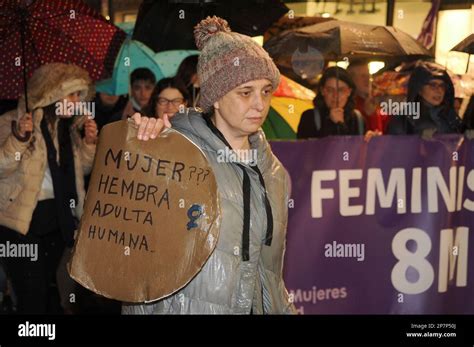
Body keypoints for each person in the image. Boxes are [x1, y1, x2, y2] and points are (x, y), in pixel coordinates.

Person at [122, 16, 296, 314]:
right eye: (245, 92)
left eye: (266, 90)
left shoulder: (275, 173)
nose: (259, 103)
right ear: (215, 97)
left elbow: (270, 274)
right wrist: (138, 146)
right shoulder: (176, 154)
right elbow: (137, 258)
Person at [0, 63, 98, 314]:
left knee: (47, 289)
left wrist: (88, 144)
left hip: (58, 222)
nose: (77, 102)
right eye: (72, 95)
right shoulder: (12, 120)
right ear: (52, 93)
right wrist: (19, 140)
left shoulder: (66, 129)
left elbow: (79, 173)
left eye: (80, 96)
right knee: (33, 295)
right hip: (21, 225)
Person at [297, 66, 378, 141]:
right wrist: (332, 124)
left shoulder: (358, 119)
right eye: (330, 90)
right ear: (322, 91)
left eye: (341, 90)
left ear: (349, 92)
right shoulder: (309, 117)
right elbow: (306, 151)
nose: (335, 95)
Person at [387, 61, 464, 135]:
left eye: (442, 86)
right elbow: (396, 146)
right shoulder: (405, 120)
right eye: (433, 85)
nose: (439, 91)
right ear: (419, 89)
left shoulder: (450, 118)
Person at [347, 60, 389, 133]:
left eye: (368, 75)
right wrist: (368, 114)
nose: (367, 79)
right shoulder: (348, 106)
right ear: (351, 80)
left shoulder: (376, 100)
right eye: (363, 76)